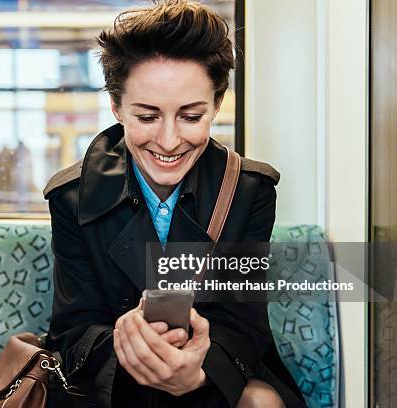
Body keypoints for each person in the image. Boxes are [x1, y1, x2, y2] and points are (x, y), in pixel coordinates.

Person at [43, 1, 305, 407]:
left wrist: (197, 371)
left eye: (191, 116)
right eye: (147, 117)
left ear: (217, 104)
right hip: (112, 388)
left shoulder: (250, 191)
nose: (168, 142)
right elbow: (72, 332)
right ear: (116, 107)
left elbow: (243, 328)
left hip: (214, 381)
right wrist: (128, 342)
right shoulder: (71, 198)